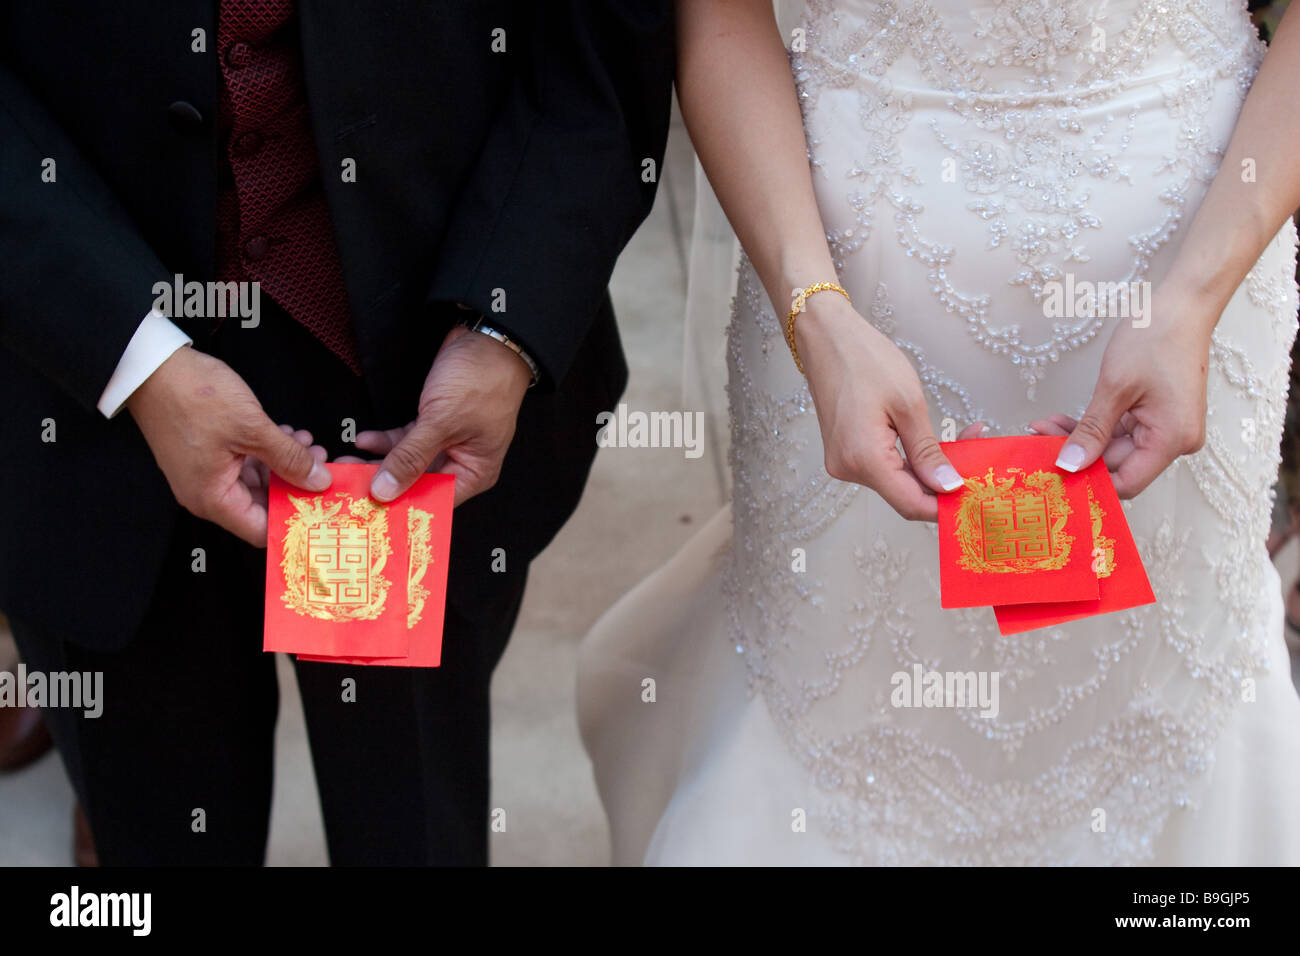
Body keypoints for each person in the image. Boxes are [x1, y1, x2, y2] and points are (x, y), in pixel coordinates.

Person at [579, 0, 1300, 864]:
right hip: (844, 285)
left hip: (1201, 270)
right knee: (839, 680)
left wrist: (1196, 297)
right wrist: (816, 314)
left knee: (1171, 692)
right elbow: (718, 13)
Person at [0, 1, 672, 865]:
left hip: (422, 376)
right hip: (75, 388)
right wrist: (131, 357)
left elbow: (609, 45)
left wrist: (504, 325)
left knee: (414, 824)